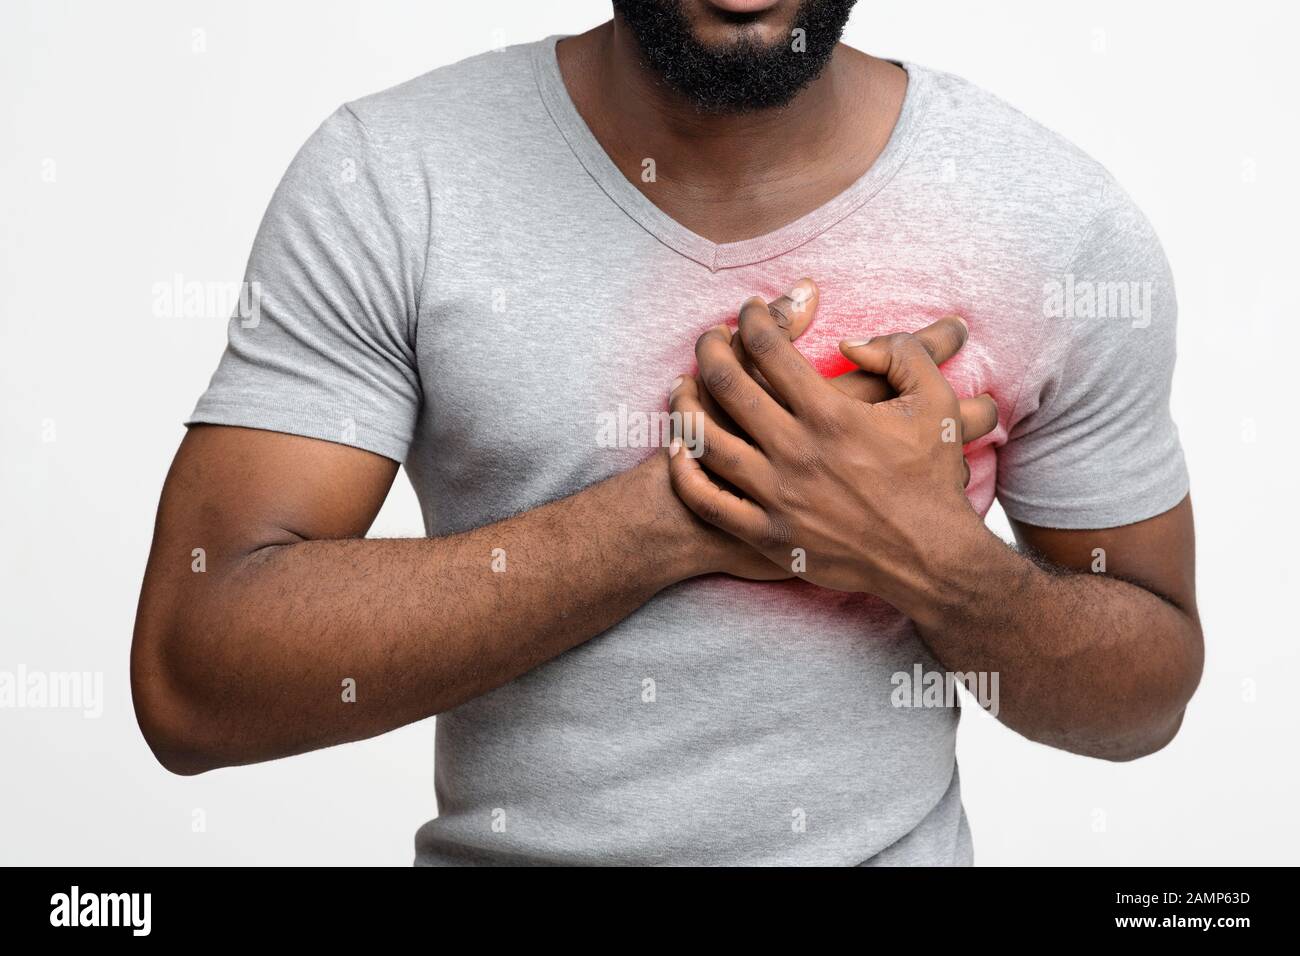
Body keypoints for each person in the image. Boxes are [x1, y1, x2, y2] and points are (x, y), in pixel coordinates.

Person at [131, 0, 1202, 865]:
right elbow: (191, 680)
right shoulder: (395, 177)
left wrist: (937, 560)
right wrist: (680, 512)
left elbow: (1145, 692)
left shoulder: (1053, 221)